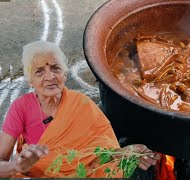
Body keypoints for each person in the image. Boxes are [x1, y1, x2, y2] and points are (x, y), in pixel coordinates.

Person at [0, 40, 161, 178]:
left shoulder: (81, 104)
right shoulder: (21, 107)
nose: (50, 77)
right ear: (30, 81)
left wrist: (127, 152)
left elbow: (99, 159)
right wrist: (17, 167)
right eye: (39, 71)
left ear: (64, 74)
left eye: (55, 68)